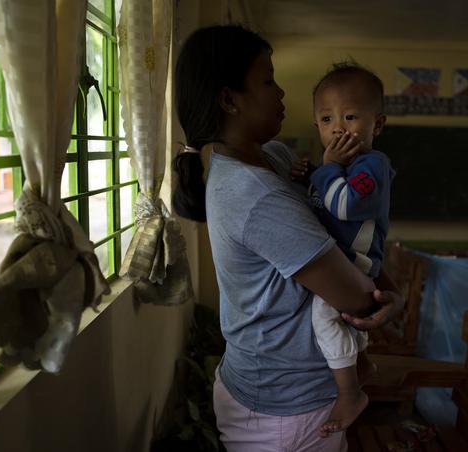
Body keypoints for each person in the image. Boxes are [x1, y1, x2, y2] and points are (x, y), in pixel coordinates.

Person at [171, 25, 403, 452]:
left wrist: (390, 290)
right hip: (285, 410)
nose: (281, 93)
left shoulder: (274, 158)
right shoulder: (253, 194)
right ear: (229, 99)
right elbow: (354, 296)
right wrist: (386, 298)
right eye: (268, 80)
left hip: (280, 392)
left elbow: (337, 233)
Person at [291, 62, 395, 437]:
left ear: (377, 125)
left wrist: (325, 169)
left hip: (357, 266)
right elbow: (323, 204)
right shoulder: (339, 168)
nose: (338, 127)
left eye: (350, 116)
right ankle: (361, 364)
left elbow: (345, 206)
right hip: (341, 261)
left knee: (323, 315)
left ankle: (350, 393)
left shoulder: (373, 165)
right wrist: (311, 180)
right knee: (337, 320)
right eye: (326, 118)